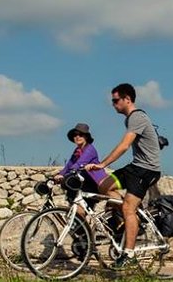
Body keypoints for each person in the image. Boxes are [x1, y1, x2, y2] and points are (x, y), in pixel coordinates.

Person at [86, 83, 162, 269]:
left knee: (128, 207)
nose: (113, 104)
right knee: (104, 186)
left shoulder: (137, 117)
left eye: (116, 100)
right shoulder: (129, 119)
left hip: (147, 170)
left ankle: (128, 253)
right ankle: (128, 218)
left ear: (127, 99)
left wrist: (103, 164)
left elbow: (124, 146)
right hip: (135, 167)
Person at [54, 123, 108, 214]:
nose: (77, 137)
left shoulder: (90, 149)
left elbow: (78, 164)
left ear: (86, 137)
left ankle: (83, 227)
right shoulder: (77, 151)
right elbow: (69, 165)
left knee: (80, 212)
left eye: (81, 135)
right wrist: (60, 174)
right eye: (75, 135)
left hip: (92, 183)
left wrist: (65, 176)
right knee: (74, 210)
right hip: (82, 183)